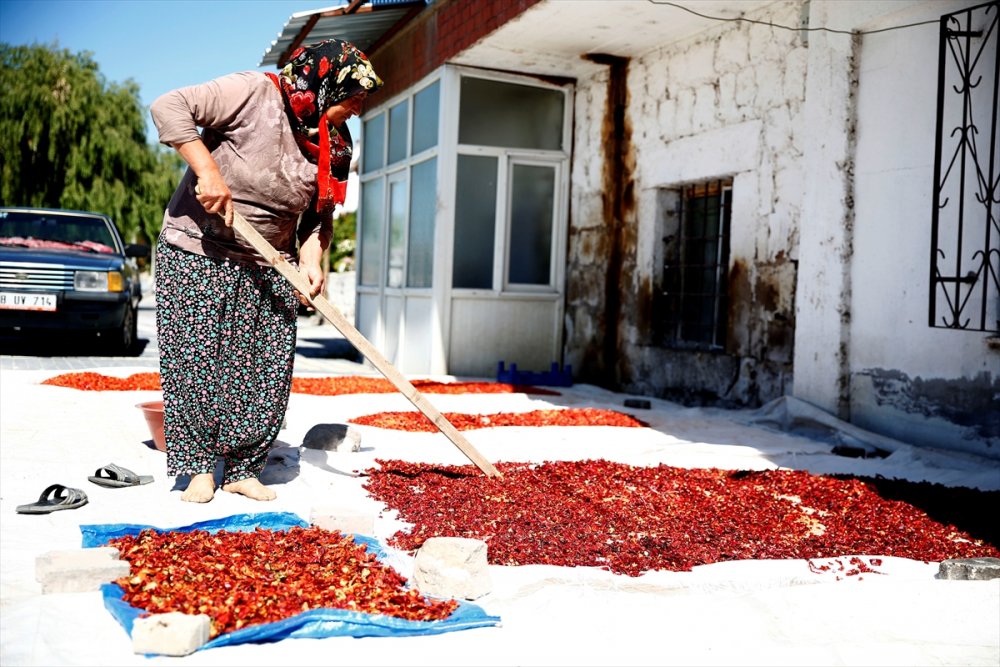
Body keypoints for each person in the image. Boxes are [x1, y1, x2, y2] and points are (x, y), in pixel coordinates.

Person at [149, 40, 383, 503]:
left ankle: (242, 467)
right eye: (351, 98)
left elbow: (320, 213)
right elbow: (168, 105)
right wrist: (208, 172)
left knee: (264, 367)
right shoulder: (253, 92)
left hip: (271, 258)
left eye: (361, 102)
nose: (357, 111)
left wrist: (313, 259)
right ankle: (197, 468)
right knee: (197, 360)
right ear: (322, 84)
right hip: (200, 247)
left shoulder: (334, 142)